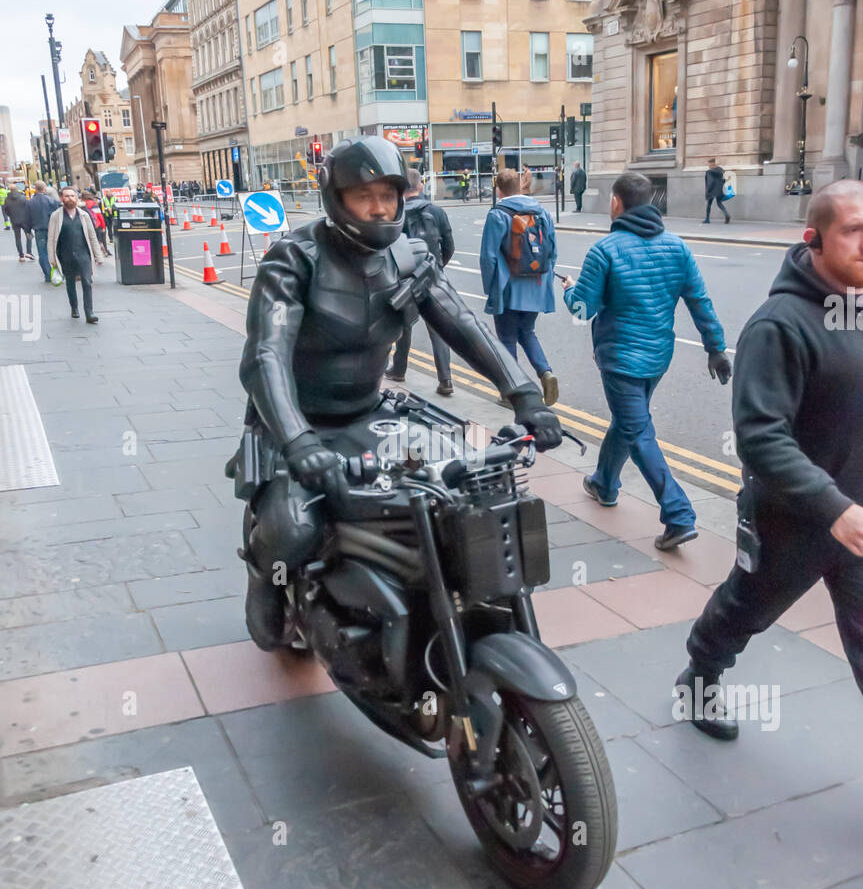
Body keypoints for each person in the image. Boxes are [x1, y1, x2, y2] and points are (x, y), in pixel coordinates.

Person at [230, 136, 563, 651]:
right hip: (295, 422)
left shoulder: (409, 258)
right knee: (292, 529)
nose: (379, 207)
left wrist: (523, 394)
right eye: (364, 196)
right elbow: (265, 356)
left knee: (459, 490)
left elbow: (463, 324)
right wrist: (296, 440)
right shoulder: (294, 260)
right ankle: (264, 579)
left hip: (368, 411)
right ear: (335, 196)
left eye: (389, 195)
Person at [677, 180, 863, 739]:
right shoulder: (778, 325)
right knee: (744, 611)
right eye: (854, 230)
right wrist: (833, 507)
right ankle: (698, 678)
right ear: (815, 240)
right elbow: (761, 437)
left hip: (858, 523)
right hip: (794, 520)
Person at [562, 171, 731, 549]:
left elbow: (582, 310)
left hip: (620, 358)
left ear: (617, 203)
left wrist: (571, 290)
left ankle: (678, 515)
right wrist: (715, 347)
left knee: (637, 430)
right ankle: (605, 483)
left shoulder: (604, 251)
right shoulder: (677, 246)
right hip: (658, 357)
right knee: (629, 422)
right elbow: (698, 300)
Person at [479, 166, 559, 408]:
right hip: (535, 286)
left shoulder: (497, 214)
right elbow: (552, 251)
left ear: (499, 189)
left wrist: (490, 287)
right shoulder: (543, 213)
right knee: (527, 332)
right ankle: (545, 372)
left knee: (506, 338)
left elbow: (489, 256)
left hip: (508, 287)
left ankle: (511, 392)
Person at [385, 167, 455, 396]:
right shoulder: (436, 211)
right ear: (421, 186)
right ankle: (445, 379)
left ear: (402, 188)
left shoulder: (397, 213)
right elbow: (449, 245)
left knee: (404, 326)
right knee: (438, 329)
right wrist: (438, 266)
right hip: (433, 275)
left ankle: (399, 369)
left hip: (405, 277)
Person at [46, 186, 101, 323]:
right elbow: (51, 238)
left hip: (83, 255)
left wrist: (98, 256)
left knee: (87, 282)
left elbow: (92, 236)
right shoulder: (56, 216)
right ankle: (74, 307)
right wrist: (52, 258)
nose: (70, 198)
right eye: (66, 196)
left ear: (76, 198)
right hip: (66, 255)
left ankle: (89, 313)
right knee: (70, 283)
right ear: (61, 198)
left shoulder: (84, 215)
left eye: (72, 196)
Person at [27, 180, 60, 282]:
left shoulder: (30, 203)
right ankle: (58, 273)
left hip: (39, 230)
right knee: (55, 251)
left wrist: (28, 230)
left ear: (35, 189)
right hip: (52, 229)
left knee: (43, 253)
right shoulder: (52, 201)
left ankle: (48, 275)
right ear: (44, 188)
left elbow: (27, 218)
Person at [3, 185, 34, 261]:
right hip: (24, 220)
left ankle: (21, 255)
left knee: (18, 238)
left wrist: (11, 215)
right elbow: (28, 207)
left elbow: (5, 210)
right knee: (29, 235)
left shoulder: (7, 199)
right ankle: (29, 252)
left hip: (14, 221)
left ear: (9, 190)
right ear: (17, 189)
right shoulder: (23, 198)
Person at [81, 191, 109, 259]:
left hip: (86, 225)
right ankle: (103, 252)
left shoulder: (82, 205)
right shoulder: (94, 204)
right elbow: (100, 216)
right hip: (96, 224)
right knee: (98, 240)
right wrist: (103, 226)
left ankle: (94, 255)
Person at [704, 157, 730, 224]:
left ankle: (707, 219)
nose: (709, 166)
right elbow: (726, 178)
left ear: (712, 164)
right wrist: (721, 184)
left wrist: (707, 191)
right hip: (719, 190)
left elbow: (710, 182)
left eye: (709, 165)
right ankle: (726, 214)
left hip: (711, 190)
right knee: (719, 203)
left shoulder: (709, 172)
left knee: (709, 204)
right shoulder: (721, 170)